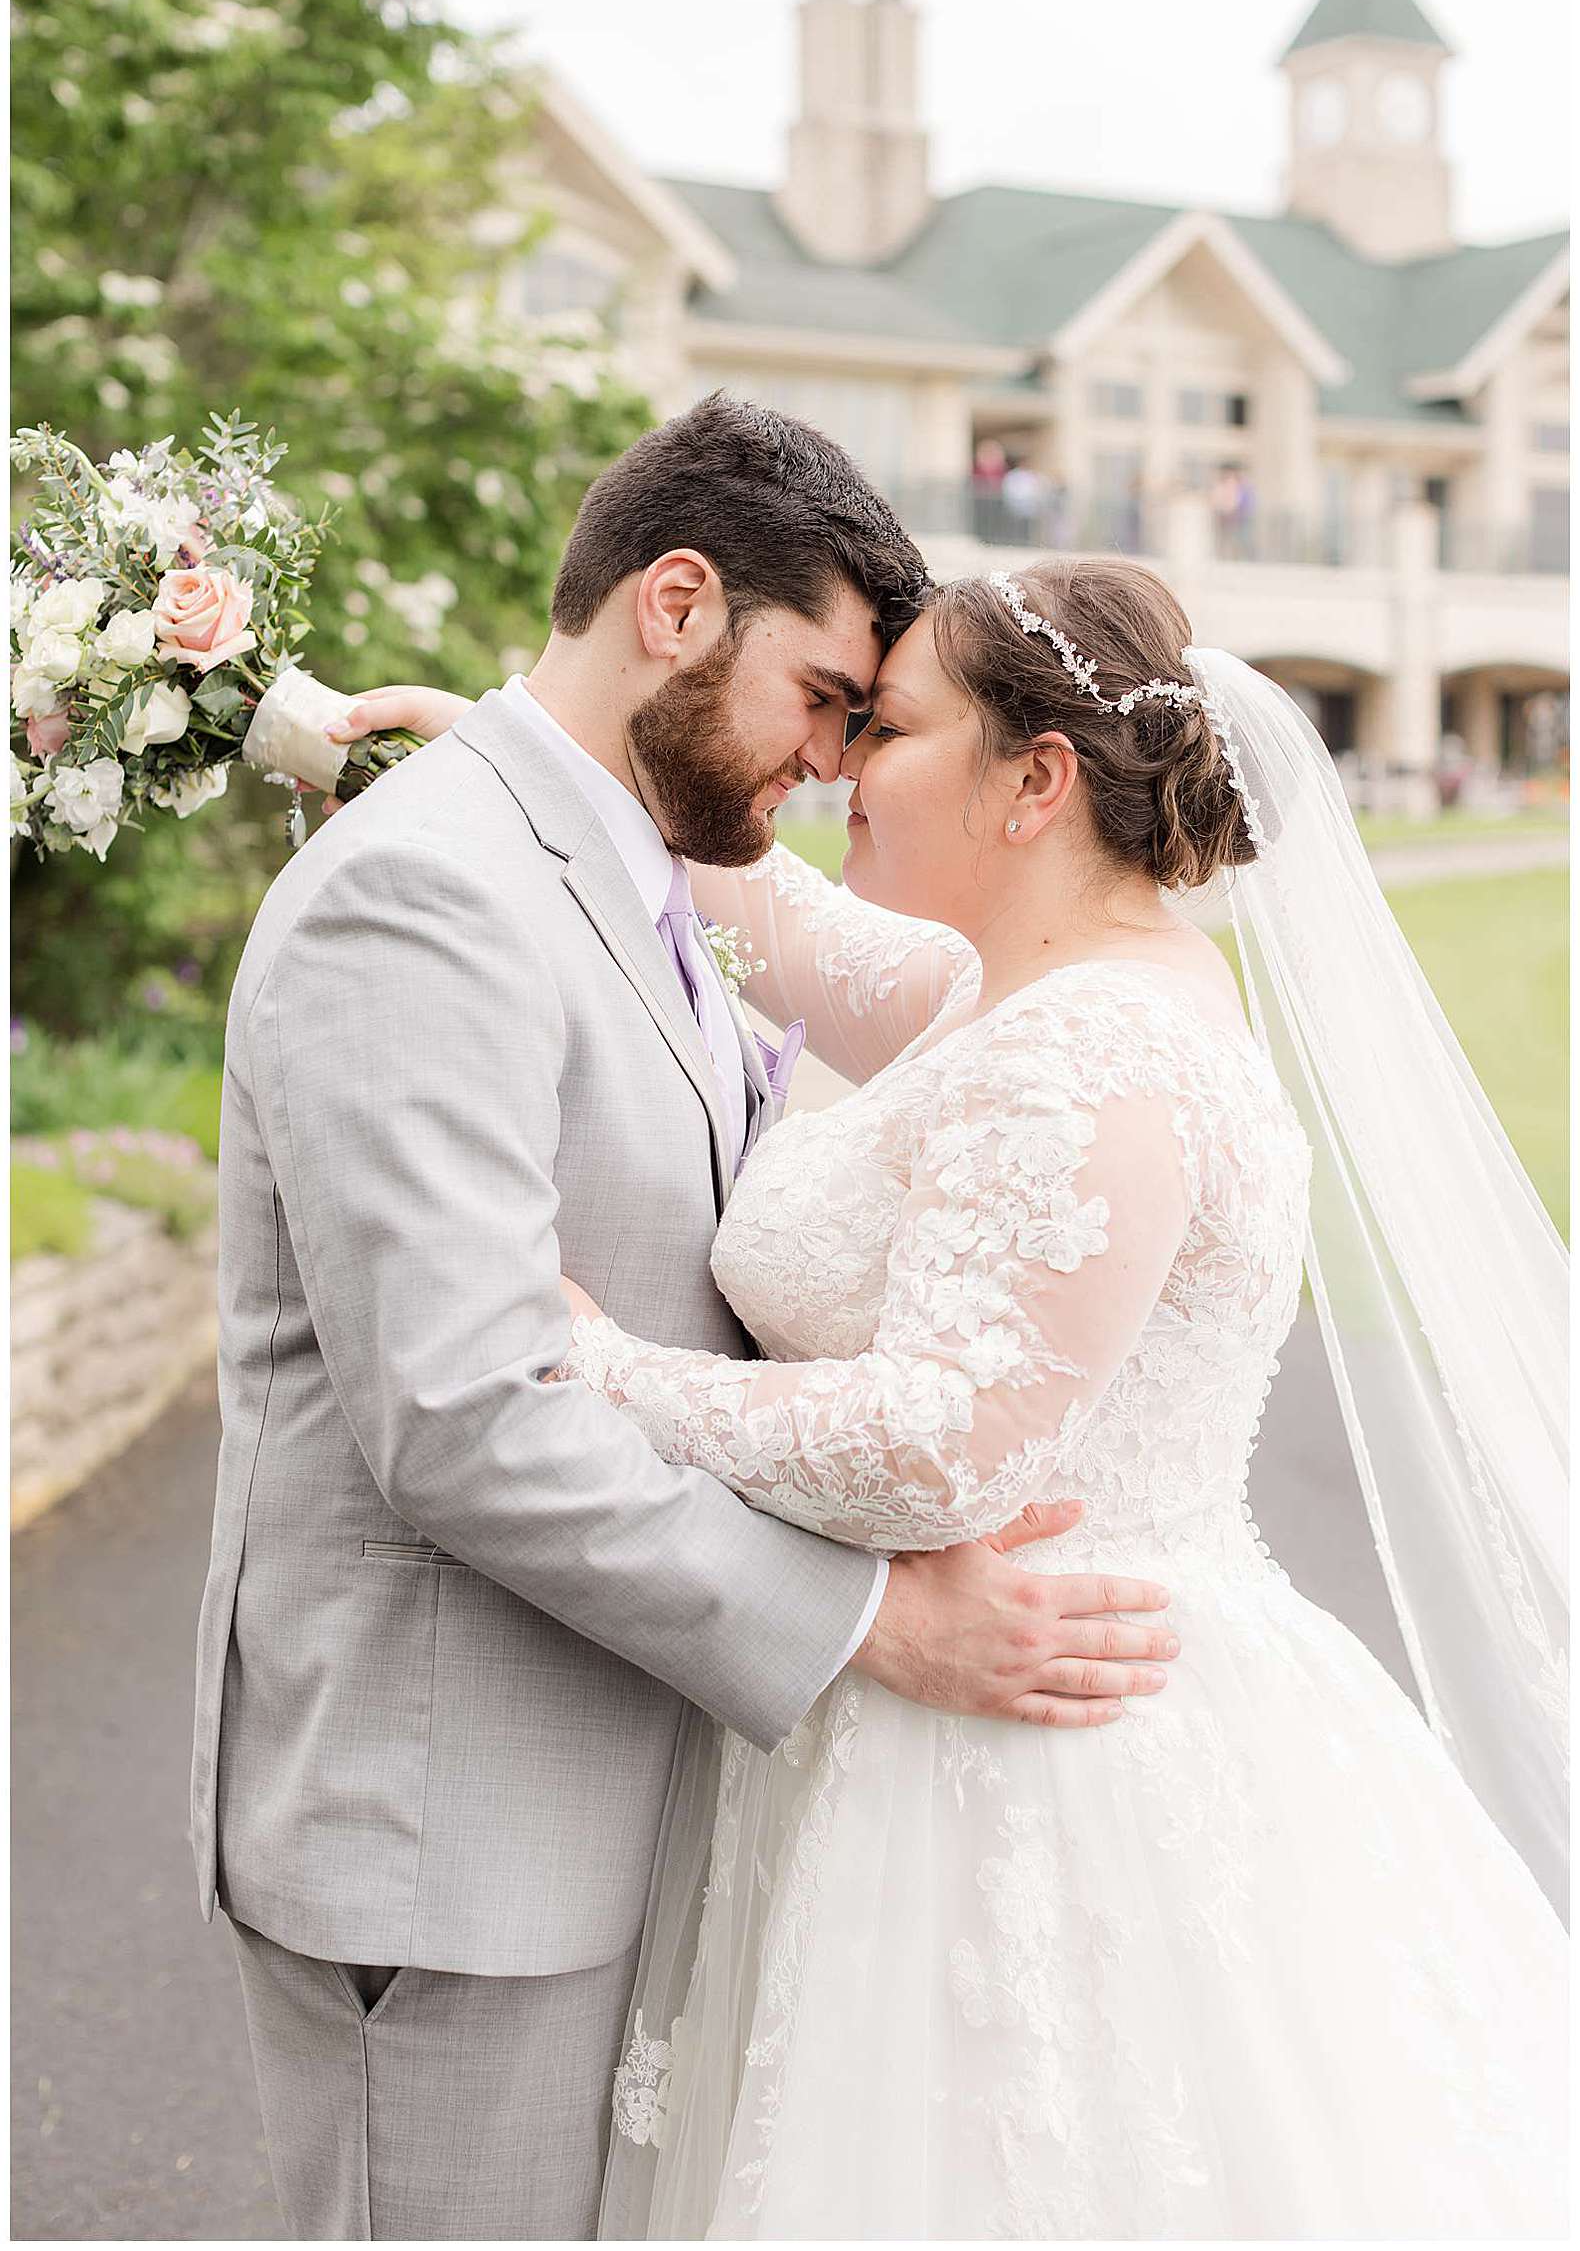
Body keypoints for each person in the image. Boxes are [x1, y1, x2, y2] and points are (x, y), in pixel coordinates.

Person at [336, 549, 1567, 2239]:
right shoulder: (1019, 990)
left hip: (1035, 1758)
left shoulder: (1097, 1054)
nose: (839, 765)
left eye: (888, 727)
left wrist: (607, 1372)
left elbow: (940, 1449)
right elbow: (768, 902)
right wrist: (507, 746)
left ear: (1036, 781)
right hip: (923, 1714)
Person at [193, 398, 1182, 2243]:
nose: (831, 759)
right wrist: (876, 1620)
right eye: (822, 696)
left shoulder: (619, 872)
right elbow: (467, 1418)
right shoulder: (427, 893)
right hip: (446, 1843)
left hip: (607, 1792)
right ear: (674, 604)